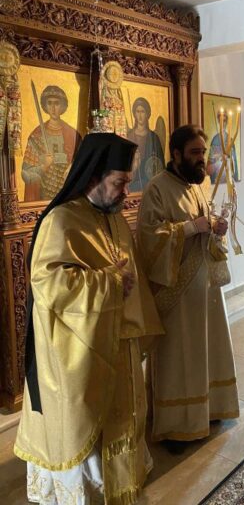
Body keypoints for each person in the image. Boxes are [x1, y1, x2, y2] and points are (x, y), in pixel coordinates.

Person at [14, 132, 163, 504]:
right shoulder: (61, 220)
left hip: (118, 340)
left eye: (128, 183)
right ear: (94, 176)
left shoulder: (114, 219)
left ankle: (121, 489)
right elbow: (48, 283)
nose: (126, 192)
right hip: (77, 352)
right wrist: (110, 283)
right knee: (86, 433)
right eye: (119, 183)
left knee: (124, 421)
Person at [136, 124, 239, 442]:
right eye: (195, 152)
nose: (201, 158)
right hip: (177, 295)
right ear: (177, 154)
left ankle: (210, 409)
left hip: (205, 289)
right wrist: (192, 228)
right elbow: (149, 237)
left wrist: (215, 227)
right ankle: (177, 425)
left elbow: (203, 224)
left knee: (208, 348)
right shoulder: (157, 188)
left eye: (203, 152)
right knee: (181, 357)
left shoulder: (197, 185)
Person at [22, 85, 81, 201]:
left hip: (67, 195)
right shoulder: (36, 136)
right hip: (44, 197)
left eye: (57, 103)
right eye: (49, 103)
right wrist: (43, 167)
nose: (53, 108)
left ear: (63, 105)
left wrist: (72, 168)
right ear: (45, 106)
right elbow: (26, 174)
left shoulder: (73, 135)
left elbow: (83, 163)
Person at [127, 97, 165, 192]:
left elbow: (160, 165)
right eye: (137, 111)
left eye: (142, 112)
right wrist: (134, 166)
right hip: (133, 184)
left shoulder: (154, 138)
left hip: (150, 184)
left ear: (147, 114)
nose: (140, 116)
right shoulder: (128, 136)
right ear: (134, 114)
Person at [206, 111, 239, 184]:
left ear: (227, 122)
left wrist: (235, 180)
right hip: (217, 181)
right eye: (221, 120)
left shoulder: (230, 140)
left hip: (228, 181)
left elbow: (234, 165)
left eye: (224, 120)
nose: (223, 123)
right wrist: (219, 160)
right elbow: (208, 170)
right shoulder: (215, 140)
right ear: (218, 121)